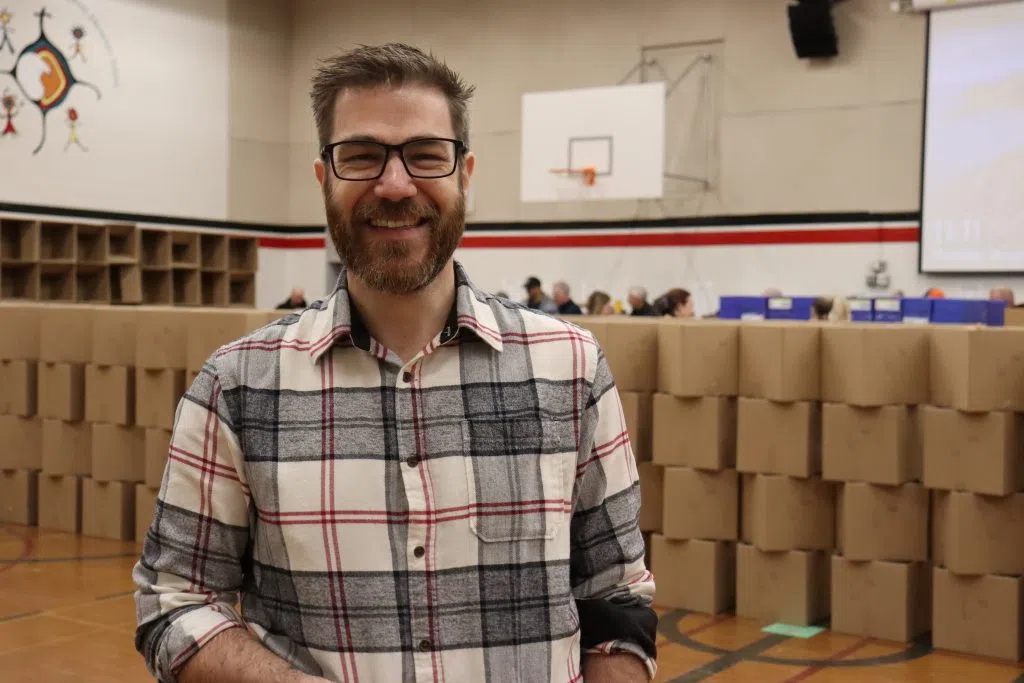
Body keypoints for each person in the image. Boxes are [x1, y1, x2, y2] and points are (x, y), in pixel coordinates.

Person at [132, 43, 656, 683]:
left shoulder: (570, 369)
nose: (395, 184)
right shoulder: (236, 387)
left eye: (425, 155)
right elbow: (174, 603)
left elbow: (618, 598)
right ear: (324, 178)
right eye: (361, 156)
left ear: (465, 173)